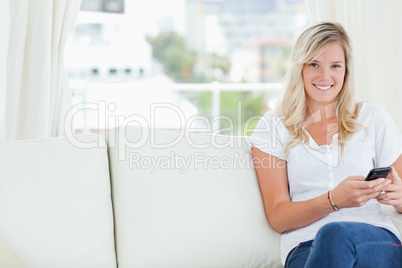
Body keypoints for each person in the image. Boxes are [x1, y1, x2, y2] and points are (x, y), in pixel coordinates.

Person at [249, 22, 402, 267]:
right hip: (304, 248)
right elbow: (278, 216)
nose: (324, 76)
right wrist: (333, 200)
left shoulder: (373, 118)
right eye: (314, 64)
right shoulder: (273, 127)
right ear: (300, 68)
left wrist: (399, 198)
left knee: (336, 234)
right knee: (330, 236)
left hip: (373, 241)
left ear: (346, 71)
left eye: (335, 66)